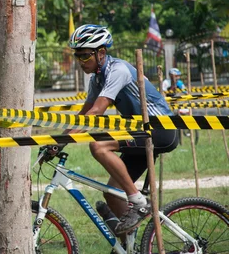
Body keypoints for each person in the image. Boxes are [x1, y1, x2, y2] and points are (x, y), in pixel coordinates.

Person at [55, 25, 178, 235]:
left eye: (85, 55)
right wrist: (59, 141)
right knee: (112, 194)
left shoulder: (118, 70)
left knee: (99, 146)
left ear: (101, 53)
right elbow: (84, 114)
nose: (81, 61)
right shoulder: (97, 78)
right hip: (141, 132)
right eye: (78, 56)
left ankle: (138, 202)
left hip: (161, 129)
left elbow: (96, 111)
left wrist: (64, 140)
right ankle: (134, 253)